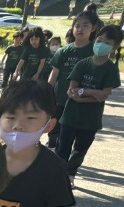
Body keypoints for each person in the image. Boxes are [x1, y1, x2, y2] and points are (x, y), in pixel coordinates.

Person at [55, 24, 121, 185]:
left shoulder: (111, 70)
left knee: (80, 149)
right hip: (70, 116)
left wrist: (83, 93)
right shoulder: (82, 64)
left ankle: (70, 174)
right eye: (99, 40)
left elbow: (104, 95)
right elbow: (72, 90)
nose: (101, 44)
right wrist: (92, 92)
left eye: (107, 42)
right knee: (62, 148)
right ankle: (56, 175)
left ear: (115, 46)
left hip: (90, 119)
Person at [47, 11, 96, 149]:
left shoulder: (94, 52)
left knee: (71, 134)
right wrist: (47, 92)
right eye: (77, 26)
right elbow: (54, 74)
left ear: (93, 28)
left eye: (85, 26)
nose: (80, 29)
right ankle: (53, 150)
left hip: (81, 101)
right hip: (60, 98)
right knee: (54, 127)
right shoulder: (63, 51)